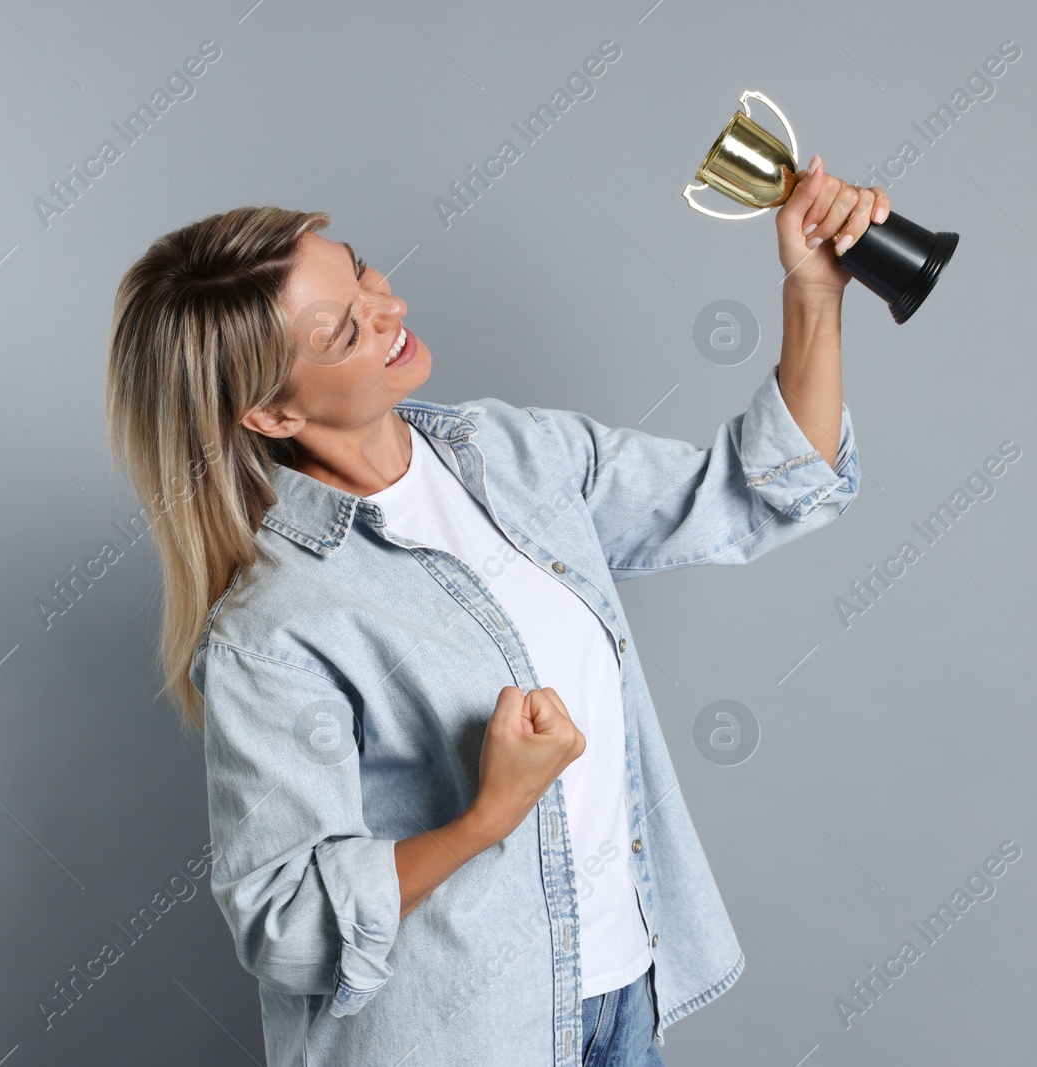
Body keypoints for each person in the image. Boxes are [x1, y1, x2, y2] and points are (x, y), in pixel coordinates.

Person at [103, 156, 884, 1067]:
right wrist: (489, 814)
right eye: (345, 329)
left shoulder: (516, 454)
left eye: (360, 271)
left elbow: (758, 493)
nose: (387, 310)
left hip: (621, 1004)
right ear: (272, 415)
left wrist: (812, 292)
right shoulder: (277, 623)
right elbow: (287, 921)